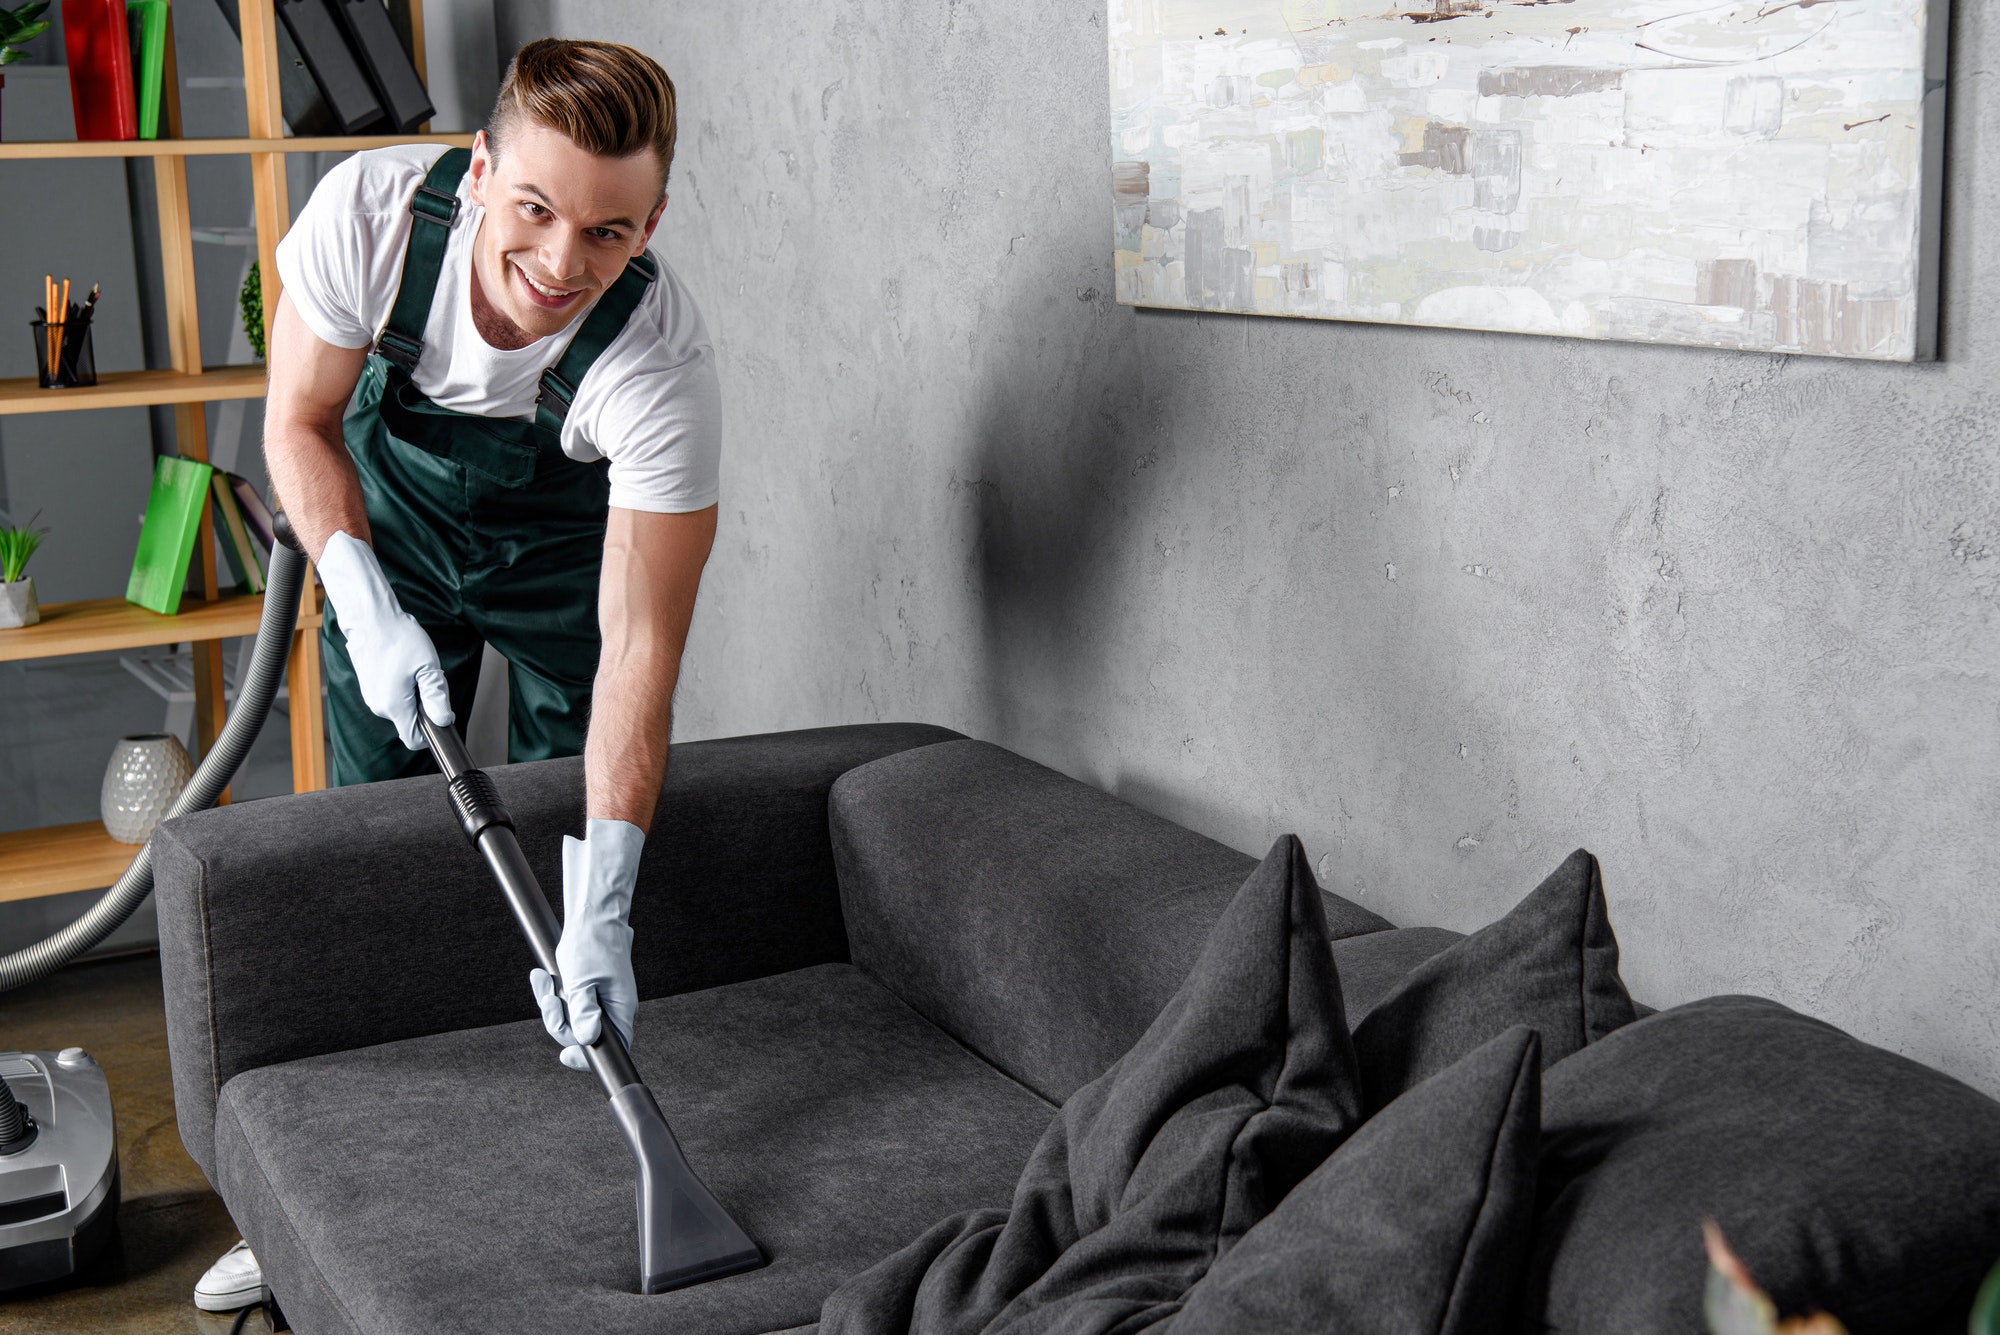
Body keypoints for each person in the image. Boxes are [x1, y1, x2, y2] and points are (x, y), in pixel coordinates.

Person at [192, 38, 720, 1314]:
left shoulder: (659, 373)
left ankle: (554, 1164)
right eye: (534, 209)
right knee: (370, 851)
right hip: (387, 537)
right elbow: (300, 425)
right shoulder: (370, 219)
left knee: (552, 843)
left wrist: (611, 906)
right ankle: (309, 1199)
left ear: (650, 222)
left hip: (558, 563)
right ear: (480, 170)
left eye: (605, 233)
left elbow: (639, 658)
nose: (557, 265)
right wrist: (363, 601)